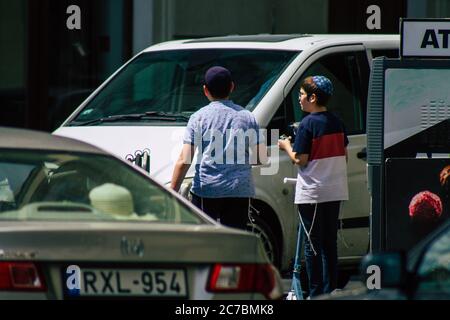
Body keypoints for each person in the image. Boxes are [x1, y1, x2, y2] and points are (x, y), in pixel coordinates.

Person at [171, 66, 268, 230]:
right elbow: (261, 158)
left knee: (206, 242)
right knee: (234, 242)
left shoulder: (198, 117)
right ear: (232, 87)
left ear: (205, 90)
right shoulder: (247, 117)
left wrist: (172, 190)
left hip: (206, 190)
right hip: (239, 189)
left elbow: (184, 159)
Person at [278, 75, 349, 297]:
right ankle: (330, 290)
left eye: (301, 95)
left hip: (313, 192)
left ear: (313, 97)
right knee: (329, 243)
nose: (299, 99)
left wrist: (285, 146)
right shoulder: (336, 121)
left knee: (312, 244)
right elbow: (344, 155)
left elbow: (300, 159)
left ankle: (316, 293)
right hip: (335, 189)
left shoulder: (308, 124)